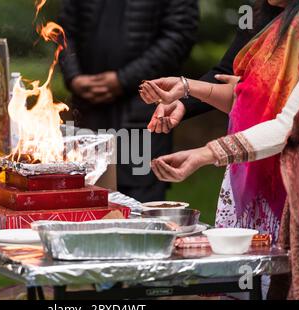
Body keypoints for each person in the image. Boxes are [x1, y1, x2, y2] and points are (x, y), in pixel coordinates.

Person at [140, 1, 299, 243]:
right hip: (252, 160)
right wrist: (185, 91)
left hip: (284, 174)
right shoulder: (260, 14)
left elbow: (282, 119)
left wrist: (204, 152)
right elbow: (245, 97)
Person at [58, 0, 199, 202]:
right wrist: (74, 77)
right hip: (89, 113)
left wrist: (123, 80)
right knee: (84, 192)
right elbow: (64, 30)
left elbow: (179, 35)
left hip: (143, 113)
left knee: (140, 202)